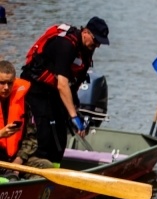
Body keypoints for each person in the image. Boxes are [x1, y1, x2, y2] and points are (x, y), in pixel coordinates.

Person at [20, 17, 109, 164]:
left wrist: (75, 111)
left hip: (54, 92)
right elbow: (62, 83)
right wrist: (74, 117)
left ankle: (54, 172)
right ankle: (33, 170)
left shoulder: (87, 50)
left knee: (60, 137)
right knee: (44, 134)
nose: (97, 45)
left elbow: (73, 84)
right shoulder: (66, 45)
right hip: (37, 88)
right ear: (86, 32)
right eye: (96, 40)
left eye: (100, 42)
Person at [0, 61, 52, 180]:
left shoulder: (23, 105)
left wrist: (16, 164)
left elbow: (31, 139)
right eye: (2, 83)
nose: (6, 88)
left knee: (46, 166)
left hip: (14, 161)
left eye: (10, 83)